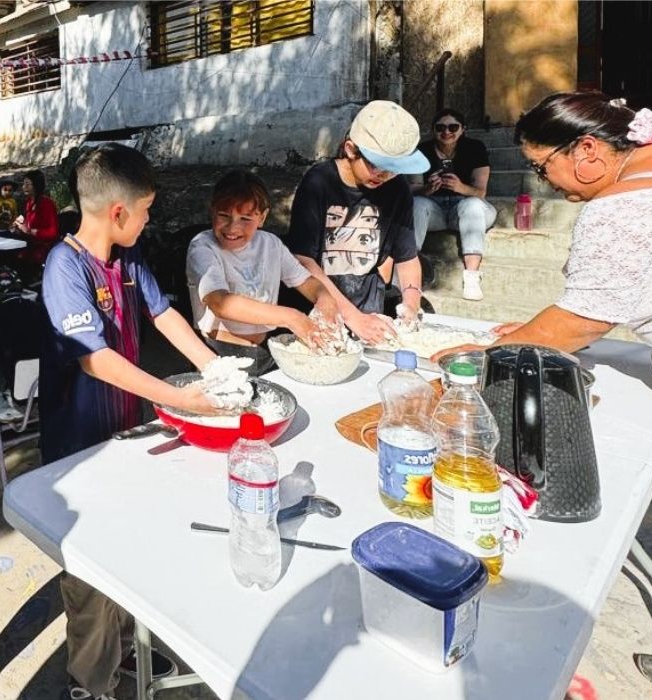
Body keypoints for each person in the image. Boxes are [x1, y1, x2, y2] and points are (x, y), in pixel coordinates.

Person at [434, 91, 652, 700]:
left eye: (544, 167)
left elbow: (579, 323)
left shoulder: (627, 204)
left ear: (587, 149)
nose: (547, 181)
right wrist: (541, 327)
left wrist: (476, 355)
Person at [40, 143, 218, 700]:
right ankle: (88, 681)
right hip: (79, 450)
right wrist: (179, 399)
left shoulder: (129, 258)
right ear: (118, 212)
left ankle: (121, 653)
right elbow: (94, 357)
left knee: (130, 551)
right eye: (145, 209)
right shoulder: (63, 266)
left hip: (125, 434)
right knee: (91, 573)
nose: (148, 220)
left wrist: (216, 368)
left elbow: (162, 314)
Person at [286, 100, 428, 344]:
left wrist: (412, 306)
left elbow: (407, 258)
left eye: (394, 169)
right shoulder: (319, 181)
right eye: (378, 166)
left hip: (370, 309)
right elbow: (302, 259)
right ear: (351, 149)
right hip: (320, 310)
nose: (385, 175)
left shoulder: (397, 189)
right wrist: (351, 317)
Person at [185, 169, 340, 376]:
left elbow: (305, 280)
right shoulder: (202, 247)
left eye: (246, 219)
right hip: (219, 350)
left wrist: (324, 297)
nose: (233, 228)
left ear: (263, 217)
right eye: (224, 216)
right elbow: (220, 302)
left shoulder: (271, 244)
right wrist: (292, 317)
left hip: (265, 349)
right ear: (212, 210)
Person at [409, 108, 497, 300]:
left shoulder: (475, 148)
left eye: (453, 127)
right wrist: (427, 188)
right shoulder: (422, 151)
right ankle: (410, 270)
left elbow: (480, 192)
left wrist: (460, 187)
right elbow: (413, 189)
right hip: (435, 209)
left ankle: (472, 276)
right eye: (440, 127)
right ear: (433, 130)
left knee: (472, 205)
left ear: (462, 129)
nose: (446, 132)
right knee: (417, 203)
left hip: (467, 209)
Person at [13, 169, 59, 262]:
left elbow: (53, 232)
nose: (23, 187)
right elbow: (28, 224)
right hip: (30, 243)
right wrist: (18, 227)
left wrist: (31, 231)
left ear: (36, 185)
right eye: (23, 184)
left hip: (43, 247)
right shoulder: (29, 203)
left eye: (27, 184)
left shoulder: (47, 204)